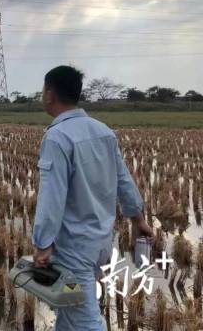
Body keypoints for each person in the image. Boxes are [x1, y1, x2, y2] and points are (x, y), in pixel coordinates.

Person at [32, 65, 153, 330]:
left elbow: (51, 197)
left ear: (49, 94)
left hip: (73, 247)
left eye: (43, 90)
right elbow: (123, 179)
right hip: (100, 243)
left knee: (85, 320)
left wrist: (42, 243)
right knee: (68, 313)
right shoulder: (103, 131)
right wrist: (138, 219)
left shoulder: (57, 137)